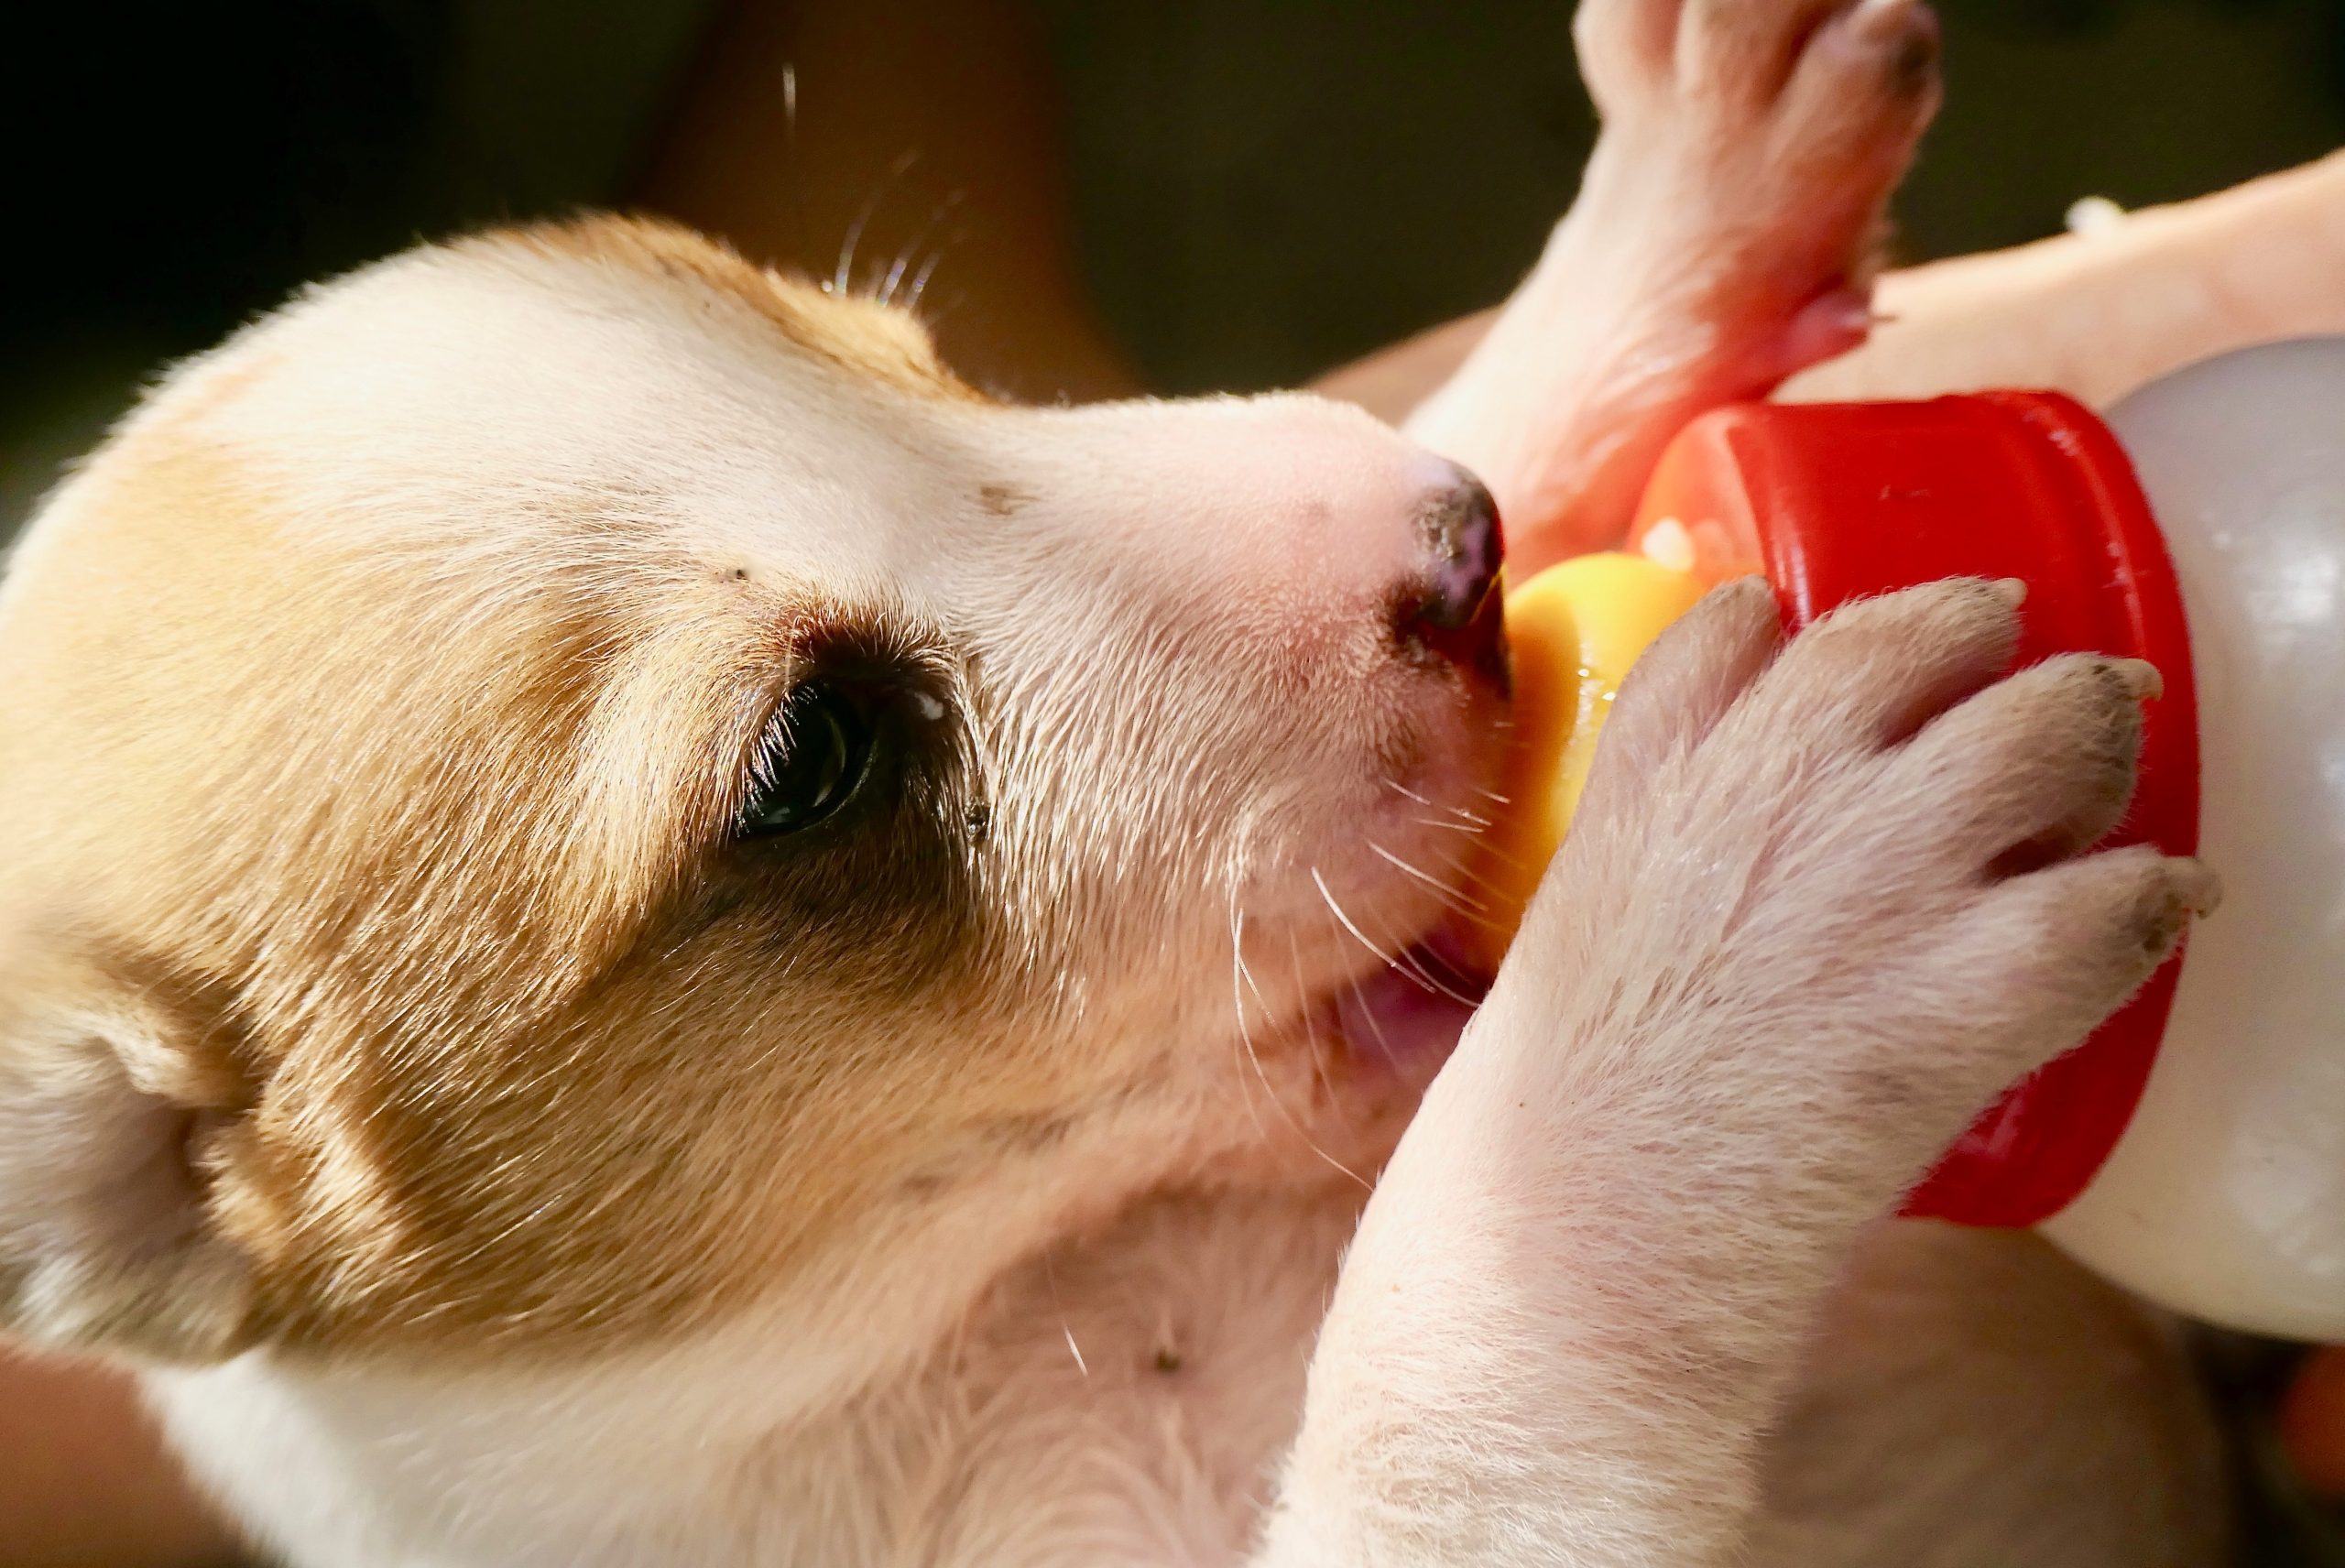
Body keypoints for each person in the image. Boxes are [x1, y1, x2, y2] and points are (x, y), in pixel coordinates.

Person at [10, 1, 2345, 1560]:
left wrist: (1615, 319)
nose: (1372, 516)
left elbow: (1391, 722)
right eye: (824, 762)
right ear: (171, 1188)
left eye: (923, 395)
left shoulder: (929, 1141)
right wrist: (1576, 1214)